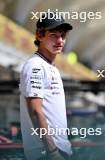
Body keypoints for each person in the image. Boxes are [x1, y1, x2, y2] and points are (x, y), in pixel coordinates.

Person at [19, 12, 73, 160]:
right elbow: (36, 111)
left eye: (63, 35)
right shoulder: (35, 66)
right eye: (53, 35)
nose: (60, 40)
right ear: (39, 35)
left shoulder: (50, 67)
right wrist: (52, 151)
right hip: (46, 154)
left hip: (59, 151)